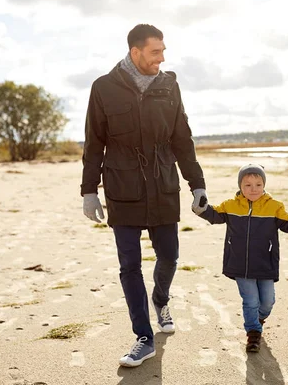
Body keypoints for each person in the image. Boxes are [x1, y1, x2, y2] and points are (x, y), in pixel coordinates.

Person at [80, 24, 207, 368]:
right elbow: (94, 143)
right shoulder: (103, 88)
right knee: (129, 266)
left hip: (164, 184)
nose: (162, 58)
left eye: (163, 51)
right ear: (136, 53)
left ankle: (161, 298)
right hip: (123, 189)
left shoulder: (170, 86)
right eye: (155, 52)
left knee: (170, 256)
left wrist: (197, 184)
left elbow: (183, 138)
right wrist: (89, 191)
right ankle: (143, 337)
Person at [193, 164, 288, 352]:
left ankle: (258, 319)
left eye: (258, 185)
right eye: (248, 185)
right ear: (240, 186)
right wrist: (201, 208)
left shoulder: (274, 207)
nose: (254, 189)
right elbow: (214, 214)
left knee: (267, 302)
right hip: (239, 264)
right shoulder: (231, 205)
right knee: (250, 300)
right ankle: (253, 333)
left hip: (265, 263)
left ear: (264, 185)